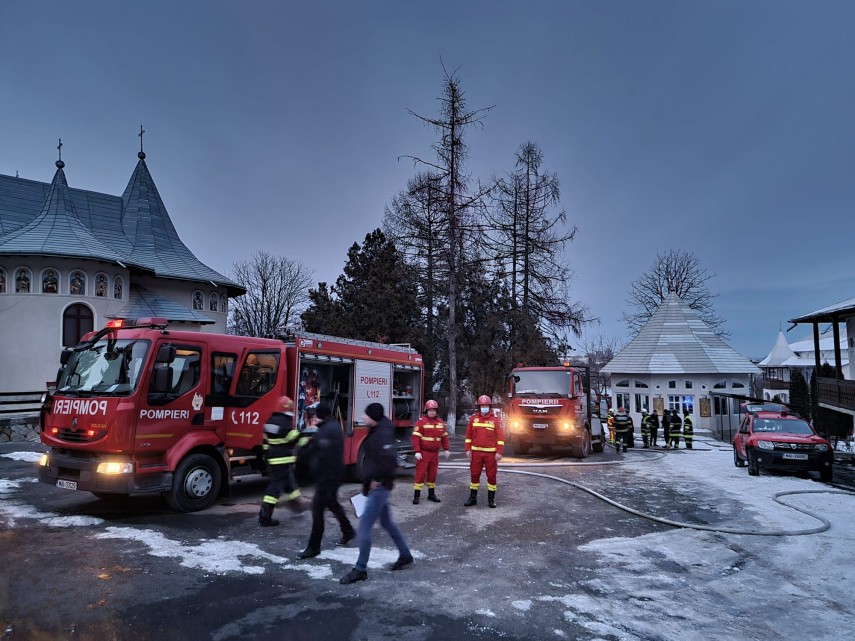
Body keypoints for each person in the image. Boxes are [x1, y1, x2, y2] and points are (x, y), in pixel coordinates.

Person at [340, 403, 413, 584]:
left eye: (366, 415)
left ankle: (360, 568)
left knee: (364, 528)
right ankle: (405, 555)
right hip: (377, 486)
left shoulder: (382, 434)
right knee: (388, 523)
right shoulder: (378, 430)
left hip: (379, 488)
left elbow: (389, 462)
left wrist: (378, 480)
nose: (363, 418)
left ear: (373, 417)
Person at [298, 402, 355, 559]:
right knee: (332, 503)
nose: (315, 416)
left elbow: (319, 452)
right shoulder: (332, 426)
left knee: (317, 511)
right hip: (332, 475)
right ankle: (348, 530)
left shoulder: (327, 430)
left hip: (328, 476)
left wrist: (304, 453)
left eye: (316, 414)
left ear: (321, 414)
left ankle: (314, 547)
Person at [258, 396, 305, 527]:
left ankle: (296, 504)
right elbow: (294, 438)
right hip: (282, 461)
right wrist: (307, 441)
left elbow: (265, 442)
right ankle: (264, 518)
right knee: (274, 490)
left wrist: (267, 455)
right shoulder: (285, 422)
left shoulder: (269, 421)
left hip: (272, 460)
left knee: (289, 482)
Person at [463, 395, 504, 508]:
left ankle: (491, 500)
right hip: (476, 454)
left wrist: (499, 452)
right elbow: (468, 436)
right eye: (482, 405)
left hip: (491, 454)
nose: (484, 407)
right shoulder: (473, 419)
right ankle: (473, 498)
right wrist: (467, 450)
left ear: (489, 406)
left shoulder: (495, 420)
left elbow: (501, 437)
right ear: (479, 407)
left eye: (486, 405)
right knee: (474, 475)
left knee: (491, 476)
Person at [411, 399, 451, 504]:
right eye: (430, 410)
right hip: (424, 453)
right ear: (426, 411)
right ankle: (416, 496)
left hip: (434, 453)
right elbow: (415, 438)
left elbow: (444, 437)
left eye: (434, 410)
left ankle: (431, 494)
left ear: (436, 411)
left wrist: (446, 449)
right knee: (420, 474)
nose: (432, 412)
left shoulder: (440, 422)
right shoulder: (421, 422)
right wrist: (417, 451)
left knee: (432, 474)